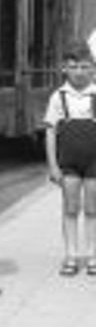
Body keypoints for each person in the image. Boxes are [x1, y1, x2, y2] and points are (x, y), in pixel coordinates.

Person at [42, 39, 96, 276]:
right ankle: (72, 255)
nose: (79, 72)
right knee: (70, 208)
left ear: (93, 69)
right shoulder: (58, 97)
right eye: (73, 67)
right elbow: (51, 131)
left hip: (95, 162)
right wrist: (53, 165)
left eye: (85, 67)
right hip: (69, 162)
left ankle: (92, 255)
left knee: (93, 209)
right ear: (64, 68)